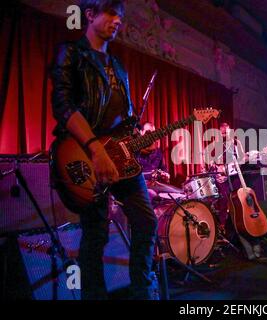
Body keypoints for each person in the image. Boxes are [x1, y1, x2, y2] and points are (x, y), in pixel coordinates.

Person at [51, 0, 158, 299]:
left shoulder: (119, 67)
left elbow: (125, 118)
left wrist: (141, 135)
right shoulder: (70, 53)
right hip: (86, 153)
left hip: (119, 156)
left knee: (147, 221)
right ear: (90, 15)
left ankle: (141, 291)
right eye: (111, 14)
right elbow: (63, 105)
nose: (118, 21)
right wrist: (95, 150)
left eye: (120, 16)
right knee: (95, 234)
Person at [209, 122, 262, 260]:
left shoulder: (236, 143)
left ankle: (254, 240)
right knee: (231, 211)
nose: (225, 135)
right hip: (225, 182)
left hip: (237, 178)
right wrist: (218, 171)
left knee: (244, 209)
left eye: (227, 133)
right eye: (223, 133)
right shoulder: (216, 145)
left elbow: (242, 158)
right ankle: (245, 246)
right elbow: (211, 163)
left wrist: (253, 155)